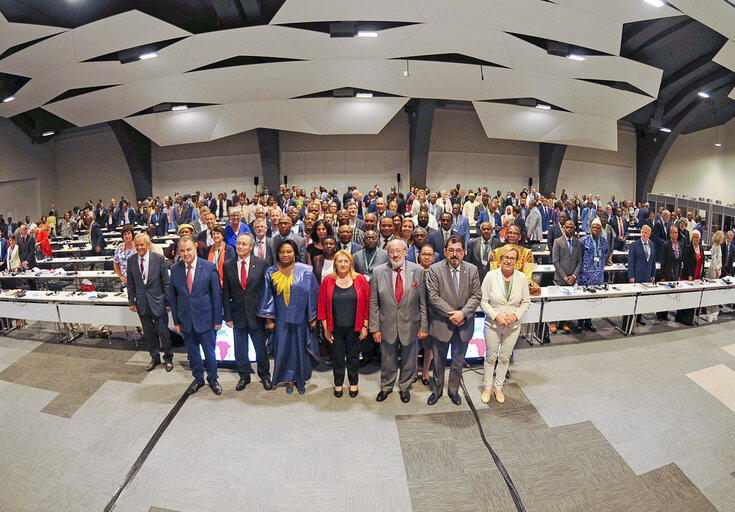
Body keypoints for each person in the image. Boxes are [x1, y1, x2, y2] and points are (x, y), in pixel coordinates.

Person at [369, 239, 429, 404]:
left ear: (405, 252)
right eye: (391, 251)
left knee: (410, 359)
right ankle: (386, 386)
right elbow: (373, 303)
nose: (395, 255)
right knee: (388, 359)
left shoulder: (418, 271)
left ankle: (404, 387)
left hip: (411, 324)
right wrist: (375, 328)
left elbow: (423, 302)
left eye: (399, 251)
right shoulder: (378, 271)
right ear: (387, 253)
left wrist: (424, 326)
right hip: (386, 324)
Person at [258, 240, 321, 394]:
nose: (285, 255)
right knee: (284, 349)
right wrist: (269, 319)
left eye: (289, 251)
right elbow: (267, 297)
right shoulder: (271, 272)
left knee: (300, 349)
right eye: (282, 252)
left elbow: (313, 294)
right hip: (281, 319)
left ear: (295, 253)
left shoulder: (305, 271)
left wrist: (312, 318)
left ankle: (300, 379)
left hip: (301, 319)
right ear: (278, 254)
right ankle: (288, 380)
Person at [426, 236, 482, 406]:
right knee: (438, 362)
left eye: (458, 250)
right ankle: (436, 391)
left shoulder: (472, 269)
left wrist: (463, 314)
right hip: (442, 324)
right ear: (445, 252)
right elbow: (433, 297)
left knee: (458, 362)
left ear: (464, 252)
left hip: (463, 326)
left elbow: (477, 295)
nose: (454, 254)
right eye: (451, 250)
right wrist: (454, 314)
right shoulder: (435, 270)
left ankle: (453, 390)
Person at [169, 236, 223, 395]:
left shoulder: (209, 267)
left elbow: (216, 296)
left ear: (196, 247)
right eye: (182, 250)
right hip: (186, 320)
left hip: (206, 319)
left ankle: (213, 379)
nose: (186, 253)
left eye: (189, 249)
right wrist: (176, 320)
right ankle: (198, 378)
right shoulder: (175, 269)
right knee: (193, 354)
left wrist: (217, 320)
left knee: (210, 353)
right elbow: (173, 297)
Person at [480, 245, 530, 404]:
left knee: (504, 358)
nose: (509, 261)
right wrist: (496, 316)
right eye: (506, 257)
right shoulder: (490, 276)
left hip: (513, 327)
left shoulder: (521, 278)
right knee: (490, 357)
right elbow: (483, 301)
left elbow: (526, 302)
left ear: (517, 261)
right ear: (500, 259)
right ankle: (487, 387)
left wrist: (516, 315)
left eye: (512, 258)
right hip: (493, 325)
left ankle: (498, 387)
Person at [318, 250, 370, 398]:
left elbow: (367, 305)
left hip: (355, 327)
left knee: (353, 357)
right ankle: (338, 384)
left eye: (346, 261)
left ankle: (354, 383)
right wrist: (326, 329)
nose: (342, 264)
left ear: (351, 263)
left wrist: (365, 326)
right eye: (339, 261)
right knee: (337, 357)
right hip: (335, 328)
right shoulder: (328, 280)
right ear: (335, 263)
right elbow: (321, 306)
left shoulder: (360, 280)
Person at [223, 233, 271, 391]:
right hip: (237, 315)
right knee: (240, 349)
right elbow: (226, 293)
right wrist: (227, 316)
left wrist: (267, 316)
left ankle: (265, 376)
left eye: (244, 244)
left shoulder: (262, 264)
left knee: (260, 349)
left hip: (256, 315)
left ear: (251, 247)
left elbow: (266, 291)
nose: (240, 246)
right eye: (238, 243)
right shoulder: (228, 264)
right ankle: (244, 376)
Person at [127, 233, 173, 372]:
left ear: (148, 244)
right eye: (137, 245)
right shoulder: (131, 260)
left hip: (158, 302)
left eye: (142, 244)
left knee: (163, 332)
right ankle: (154, 357)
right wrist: (131, 302)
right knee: (148, 333)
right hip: (141, 302)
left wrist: (167, 302)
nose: (140, 247)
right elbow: (130, 283)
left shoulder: (158, 259)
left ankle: (168, 358)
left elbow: (166, 282)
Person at [576, 218, 609, 331]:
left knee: (593, 300)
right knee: (583, 300)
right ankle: (580, 322)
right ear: (590, 229)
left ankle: (588, 322)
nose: (595, 229)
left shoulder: (604, 241)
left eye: (598, 228)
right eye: (593, 227)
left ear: (600, 230)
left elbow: (605, 253)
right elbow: (579, 257)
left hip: (598, 275)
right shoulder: (584, 240)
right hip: (585, 275)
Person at [550, 220, 582, 334]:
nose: (569, 229)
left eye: (571, 227)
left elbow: (579, 261)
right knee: (557, 300)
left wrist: (573, 276)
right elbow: (555, 261)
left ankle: (564, 322)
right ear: (563, 228)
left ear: (574, 229)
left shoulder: (578, 242)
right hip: (560, 277)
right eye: (567, 227)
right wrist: (565, 277)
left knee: (567, 301)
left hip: (572, 278)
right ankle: (553, 322)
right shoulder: (557, 241)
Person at [628, 224, 657, 326]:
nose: (644, 234)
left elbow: (653, 261)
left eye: (646, 233)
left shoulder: (652, 245)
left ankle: (639, 317)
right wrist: (631, 276)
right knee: (635, 297)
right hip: (637, 275)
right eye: (643, 232)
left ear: (649, 234)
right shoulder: (635, 245)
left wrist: (653, 274)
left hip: (647, 275)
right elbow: (630, 262)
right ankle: (632, 317)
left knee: (642, 298)